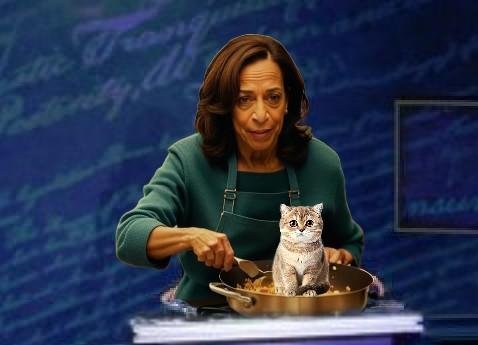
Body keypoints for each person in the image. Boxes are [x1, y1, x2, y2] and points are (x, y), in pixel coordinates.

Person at [115, 34, 364, 304]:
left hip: (298, 318)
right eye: (244, 100)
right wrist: (190, 236)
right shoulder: (189, 159)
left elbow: (349, 242)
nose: (261, 115)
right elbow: (129, 235)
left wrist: (341, 256)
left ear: (288, 102)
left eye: (273, 97)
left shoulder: (323, 163)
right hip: (206, 316)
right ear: (225, 106)